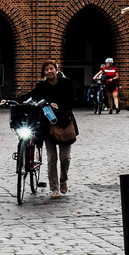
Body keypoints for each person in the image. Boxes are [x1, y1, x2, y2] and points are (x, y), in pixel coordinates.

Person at [21, 60, 78, 199]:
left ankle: (63, 180)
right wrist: (11, 101)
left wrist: (59, 105)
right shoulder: (42, 86)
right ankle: (54, 188)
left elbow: (73, 100)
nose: (49, 71)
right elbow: (30, 96)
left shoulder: (66, 83)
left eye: (51, 68)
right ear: (44, 73)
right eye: (46, 70)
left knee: (65, 158)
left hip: (64, 123)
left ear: (56, 69)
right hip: (48, 126)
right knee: (52, 158)